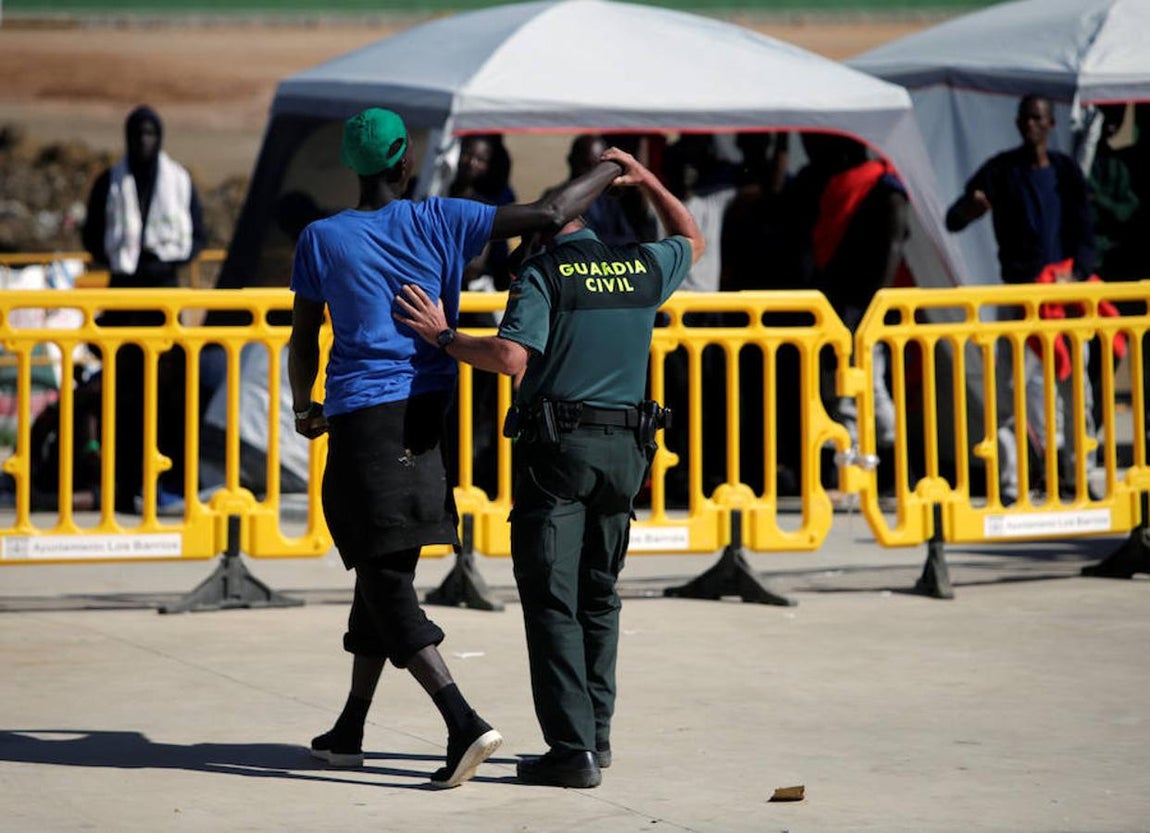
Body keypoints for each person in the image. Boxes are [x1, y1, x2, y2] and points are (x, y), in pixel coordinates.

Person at [287, 107, 625, 789]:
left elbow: (303, 338)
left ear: (356, 167)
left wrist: (304, 406)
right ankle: (352, 724)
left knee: (384, 583)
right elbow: (551, 207)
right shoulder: (442, 219)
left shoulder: (321, 238)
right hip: (427, 419)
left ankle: (461, 719)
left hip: (363, 425)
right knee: (383, 576)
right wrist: (616, 167)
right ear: (403, 162)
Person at [394, 146, 704, 788]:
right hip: (627, 456)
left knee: (552, 600)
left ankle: (571, 752)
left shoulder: (541, 276)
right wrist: (646, 180)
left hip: (559, 457)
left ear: (541, 231)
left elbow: (511, 359)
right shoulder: (640, 267)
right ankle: (598, 736)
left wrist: (444, 337)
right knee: (600, 596)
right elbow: (690, 236)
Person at [946, 93, 1097, 502]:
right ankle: (1016, 481)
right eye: (1024, 119)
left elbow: (1086, 236)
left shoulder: (1065, 173)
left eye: (1038, 119)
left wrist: (1075, 274)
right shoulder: (1002, 170)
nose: (1030, 126)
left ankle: (1078, 475)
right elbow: (954, 217)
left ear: (1050, 125)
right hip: (1019, 298)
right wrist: (969, 210)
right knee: (1013, 390)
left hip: (1064, 301)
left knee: (1075, 388)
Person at [81, 105, 206, 513]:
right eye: (138, 135)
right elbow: (93, 237)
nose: (144, 143)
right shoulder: (110, 182)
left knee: (166, 395)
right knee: (122, 396)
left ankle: (163, 481)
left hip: (163, 302)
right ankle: (119, 481)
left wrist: (163, 261)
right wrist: (127, 261)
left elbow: (197, 235)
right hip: (123, 301)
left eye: (151, 134)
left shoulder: (179, 181)